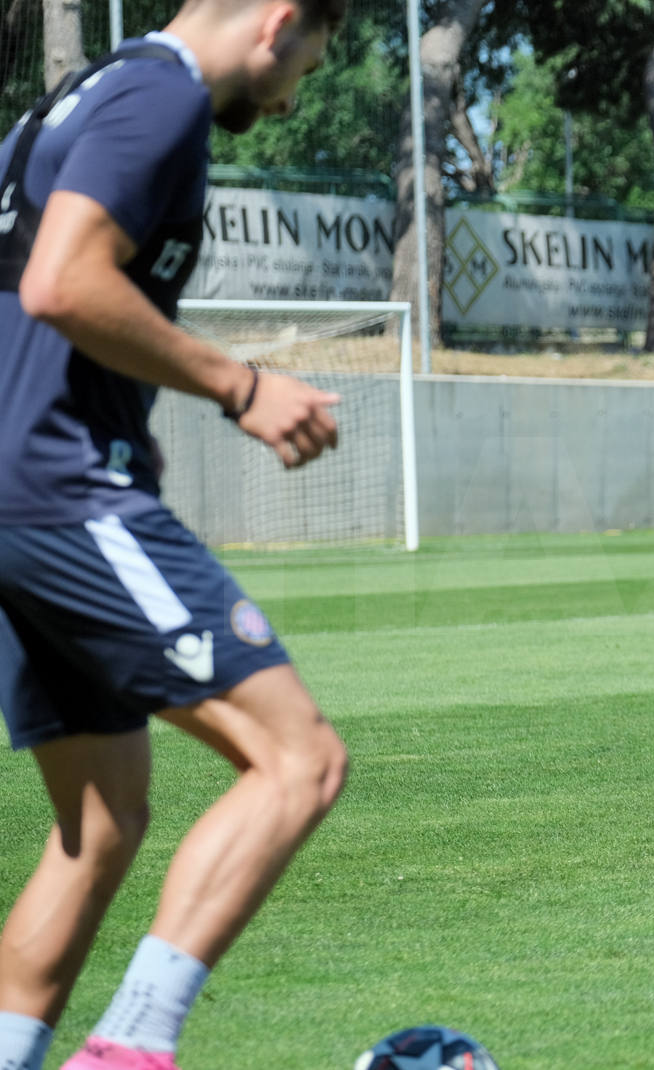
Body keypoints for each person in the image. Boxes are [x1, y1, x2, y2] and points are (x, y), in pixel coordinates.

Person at [0, 2, 348, 1067]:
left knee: (99, 821)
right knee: (299, 759)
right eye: (306, 67)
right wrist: (240, 384)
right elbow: (63, 281)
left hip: (18, 490)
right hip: (64, 489)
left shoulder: (69, 100)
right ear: (279, 21)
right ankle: (131, 1048)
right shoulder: (161, 99)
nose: (290, 98)